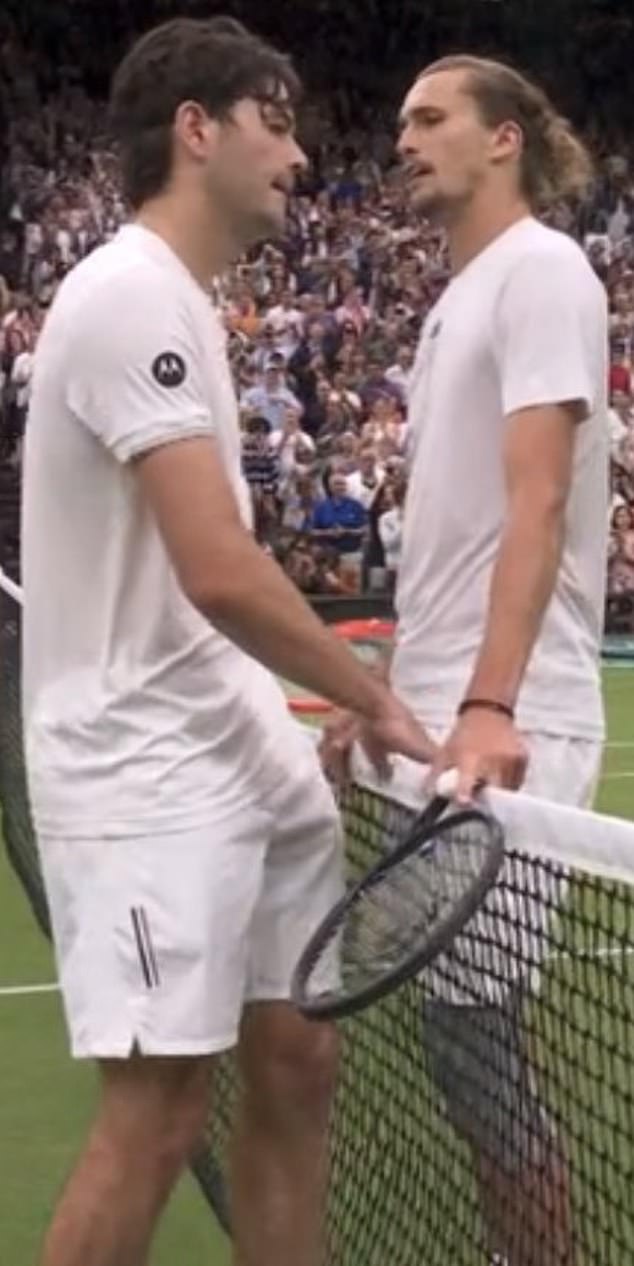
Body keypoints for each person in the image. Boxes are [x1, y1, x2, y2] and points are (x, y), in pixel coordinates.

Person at [20, 18, 434, 1266]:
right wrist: (377, 697)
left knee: (301, 1063)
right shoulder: (125, 295)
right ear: (196, 129)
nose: (300, 155)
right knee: (156, 1120)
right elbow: (215, 568)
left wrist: (288, 716)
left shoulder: (194, 308)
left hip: (239, 751)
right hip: (141, 769)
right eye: (275, 121)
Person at [322, 54, 609, 1266]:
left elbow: (536, 502)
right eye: (399, 121)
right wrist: (379, 690)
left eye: (431, 118)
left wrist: (489, 704)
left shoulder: (542, 271)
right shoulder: (453, 300)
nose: (406, 137)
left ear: (504, 141)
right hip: (434, 720)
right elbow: (451, 538)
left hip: (506, 719)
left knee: (472, 1040)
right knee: (456, 1045)